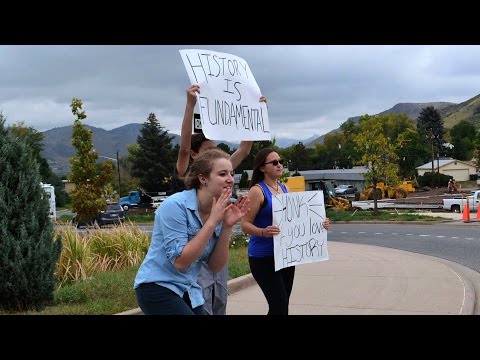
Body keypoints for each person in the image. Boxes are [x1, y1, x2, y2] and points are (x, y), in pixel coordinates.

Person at [170, 84, 267, 315]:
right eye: (208, 149)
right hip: (194, 257)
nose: (227, 177)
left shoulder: (221, 171)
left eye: (216, 148)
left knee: (219, 303)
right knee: (200, 306)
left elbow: (244, 148)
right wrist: (190, 104)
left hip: (216, 253)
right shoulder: (187, 173)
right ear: (195, 156)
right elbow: (183, 149)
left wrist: (256, 113)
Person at [134, 148, 250, 315]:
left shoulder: (219, 210)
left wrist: (227, 226)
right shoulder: (175, 206)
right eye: (223, 174)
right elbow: (180, 262)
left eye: (232, 174)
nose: (230, 180)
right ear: (203, 178)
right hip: (157, 287)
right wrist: (212, 222)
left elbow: (215, 266)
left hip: (189, 288)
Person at [241, 148, 330, 315]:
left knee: (282, 305)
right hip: (263, 258)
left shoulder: (285, 188)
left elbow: (299, 219)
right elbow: (245, 224)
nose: (279, 164)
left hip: (285, 256)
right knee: (279, 305)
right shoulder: (257, 191)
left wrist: (320, 224)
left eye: (280, 161)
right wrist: (262, 231)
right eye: (274, 162)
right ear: (262, 168)